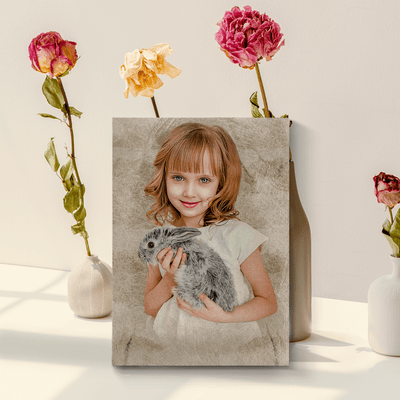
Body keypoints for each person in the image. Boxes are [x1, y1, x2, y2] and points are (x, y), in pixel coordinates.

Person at [143, 122, 277, 348]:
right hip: (174, 349)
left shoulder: (238, 236)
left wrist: (226, 316)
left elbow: (268, 302)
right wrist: (170, 280)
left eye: (204, 180)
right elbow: (150, 308)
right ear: (164, 176)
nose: (189, 191)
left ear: (221, 183)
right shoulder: (159, 239)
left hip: (231, 347)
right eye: (178, 177)